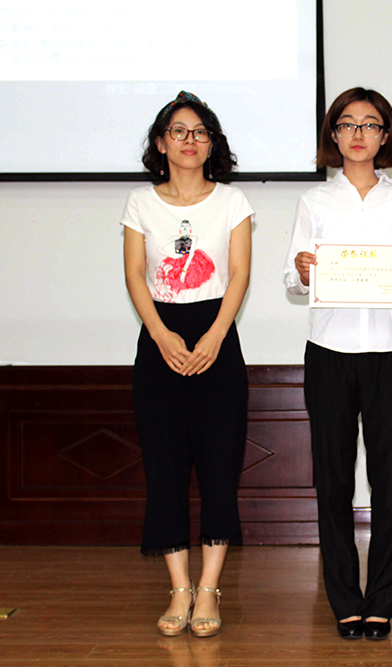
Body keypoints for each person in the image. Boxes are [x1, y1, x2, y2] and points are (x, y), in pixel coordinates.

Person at [283, 87, 392, 641]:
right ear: (334, 135)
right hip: (330, 353)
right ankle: (345, 599)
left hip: (391, 354)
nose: (359, 134)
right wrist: (303, 269)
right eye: (348, 124)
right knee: (334, 482)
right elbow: (293, 279)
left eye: (371, 124)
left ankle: (382, 601)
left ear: (385, 135)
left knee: (390, 483)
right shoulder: (314, 202)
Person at [121, 91, 253, 638]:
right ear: (161, 143)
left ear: (211, 143)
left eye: (200, 131)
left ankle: (209, 589)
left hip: (217, 339)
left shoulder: (233, 201)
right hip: (161, 341)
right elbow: (135, 275)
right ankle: (179, 588)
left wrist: (216, 335)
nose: (190, 140)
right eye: (179, 131)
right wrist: (160, 334)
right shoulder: (140, 202)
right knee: (165, 469)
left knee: (219, 468)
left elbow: (239, 274)